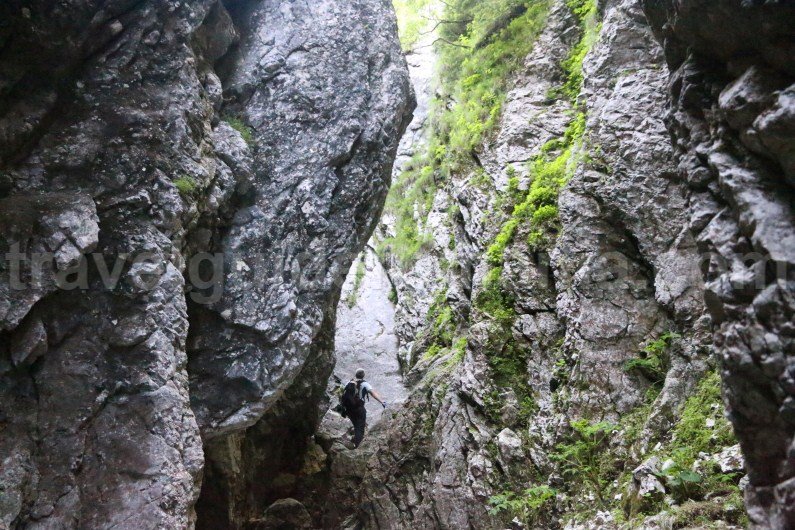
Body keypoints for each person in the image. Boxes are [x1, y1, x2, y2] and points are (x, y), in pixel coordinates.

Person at [342, 368, 386, 448]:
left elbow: (344, 394)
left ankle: (354, 441)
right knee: (360, 427)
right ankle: (357, 446)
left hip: (349, 409)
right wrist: (382, 401)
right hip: (359, 408)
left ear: (355, 375)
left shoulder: (349, 383)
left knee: (356, 425)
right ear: (363, 375)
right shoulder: (365, 384)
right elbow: (373, 393)